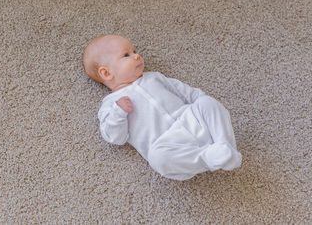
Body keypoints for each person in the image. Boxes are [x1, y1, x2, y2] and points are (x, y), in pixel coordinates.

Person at [82, 34, 242, 180]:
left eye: (134, 51)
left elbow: (184, 91)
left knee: (206, 102)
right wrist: (119, 112)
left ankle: (224, 145)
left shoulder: (154, 77)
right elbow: (115, 138)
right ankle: (208, 157)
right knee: (157, 157)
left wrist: (202, 103)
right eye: (126, 55)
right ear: (106, 73)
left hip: (189, 118)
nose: (137, 56)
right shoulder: (111, 104)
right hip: (168, 143)